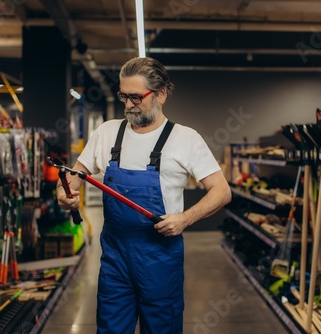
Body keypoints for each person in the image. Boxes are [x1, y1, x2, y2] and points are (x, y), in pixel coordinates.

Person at [56, 56, 232, 334]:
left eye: (136, 97)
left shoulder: (185, 139)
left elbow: (222, 191)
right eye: (123, 96)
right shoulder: (107, 133)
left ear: (161, 94)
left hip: (160, 259)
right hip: (115, 259)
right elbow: (74, 174)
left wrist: (185, 219)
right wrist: (64, 191)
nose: (128, 105)